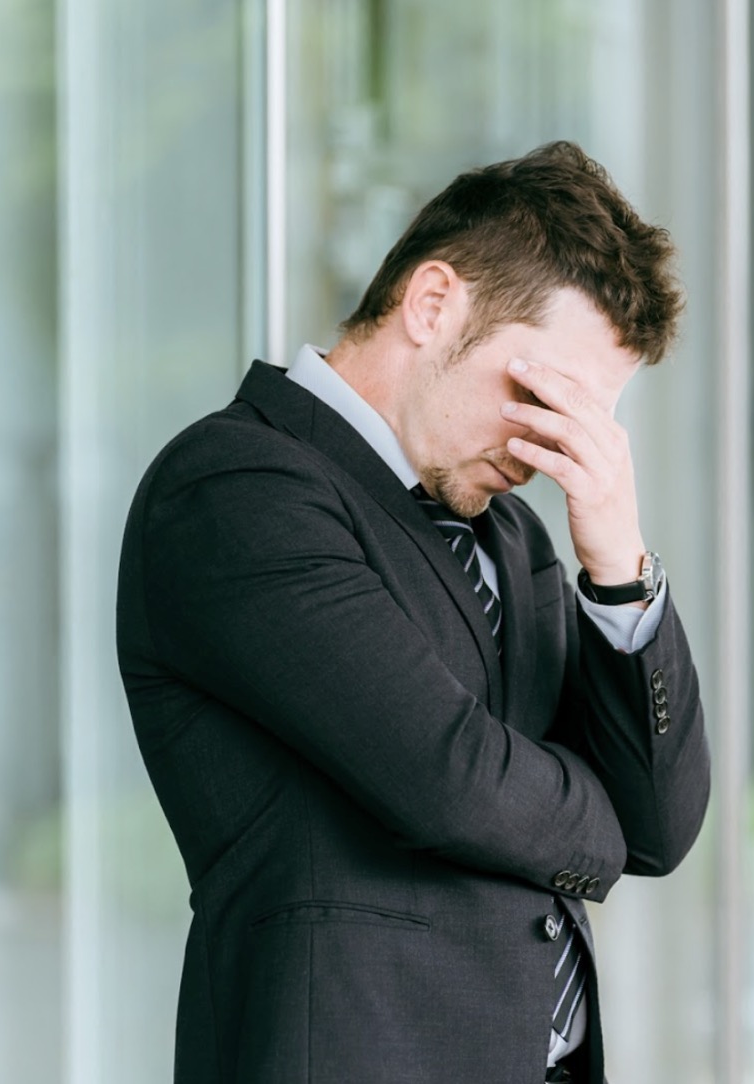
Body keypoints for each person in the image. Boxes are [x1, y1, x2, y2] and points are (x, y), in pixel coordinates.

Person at [116, 141, 711, 1083]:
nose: (546, 450)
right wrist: (598, 812)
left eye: (582, 421)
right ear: (433, 305)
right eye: (539, 395)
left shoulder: (513, 539)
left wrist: (619, 566)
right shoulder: (236, 486)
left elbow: (661, 829)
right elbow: (450, 779)